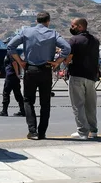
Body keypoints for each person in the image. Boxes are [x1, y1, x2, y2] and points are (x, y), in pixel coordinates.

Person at [7, 11, 71, 140]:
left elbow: (10, 46)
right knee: (45, 103)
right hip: (46, 70)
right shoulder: (53, 34)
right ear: (48, 21)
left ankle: (32, 130)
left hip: (30, 69)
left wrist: (20, 62)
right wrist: (57, 62)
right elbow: (67, 48)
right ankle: (42, 132)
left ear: (36, 21)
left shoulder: (26, 32)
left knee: (28, 100)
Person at [65, 18, 99, 140]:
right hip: (91, 76)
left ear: (80, 27)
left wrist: (64, 61)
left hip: (77, 75)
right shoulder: (95, 40)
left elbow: (68, 58)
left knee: (78, 105)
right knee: (91, 105)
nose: (71, 27)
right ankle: (93, 130)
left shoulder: (74, 40)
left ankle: (83, 132)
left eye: (73, 26)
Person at [0, 51, 25, 117]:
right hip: (14, 76)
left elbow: (14, 63)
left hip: (10, 76)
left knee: (6, 93)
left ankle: (4, 111)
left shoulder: (10, 53)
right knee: (17, 93)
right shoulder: (15, 53)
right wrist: (18, 74)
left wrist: (17, 74)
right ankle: (23, 110)